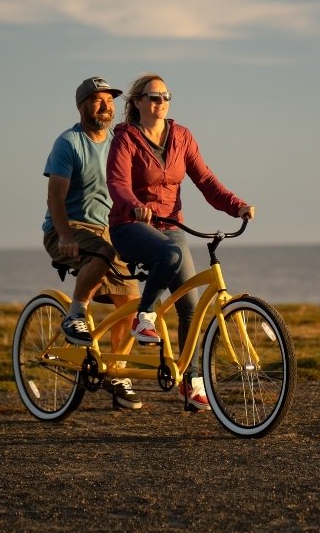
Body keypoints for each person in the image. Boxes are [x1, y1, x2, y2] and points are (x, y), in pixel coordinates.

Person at [106, 73, 255, 411]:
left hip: (171, 226)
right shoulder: (126, 138)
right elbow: (116, 182)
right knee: (172, 253)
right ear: (138, 102)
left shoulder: (182, 137)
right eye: (154, 97)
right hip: (131, 226)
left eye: (166, 96)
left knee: (190, 305)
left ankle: (191, 383)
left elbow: (205, 180)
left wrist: (237, 206)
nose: (160, 102)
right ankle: (144, 316)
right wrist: (134, 205)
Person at [42, 76, 143, 411]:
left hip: (109, 230)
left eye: (110, 100)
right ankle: (75, 314)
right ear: (81, 105)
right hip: (67, 227)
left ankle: (117, 373)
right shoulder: (68, 143)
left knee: (131, 302)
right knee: (103, 253)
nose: (106, 106)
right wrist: (67, 236)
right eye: (98, 100)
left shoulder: (118, 141)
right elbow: (55, 197)